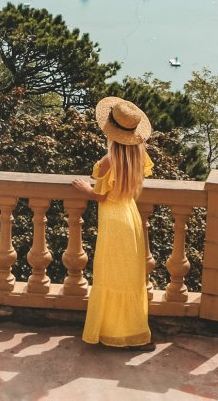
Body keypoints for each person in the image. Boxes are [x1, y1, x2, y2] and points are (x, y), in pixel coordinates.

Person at [71, 96, 154, 348]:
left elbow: (101, 195)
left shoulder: (109, 161)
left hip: (113, 221)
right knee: (129, 278)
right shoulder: (138, 156)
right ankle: (132, 331)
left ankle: (108, 331)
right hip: (130, 216)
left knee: (109, 275)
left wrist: (85, 188)